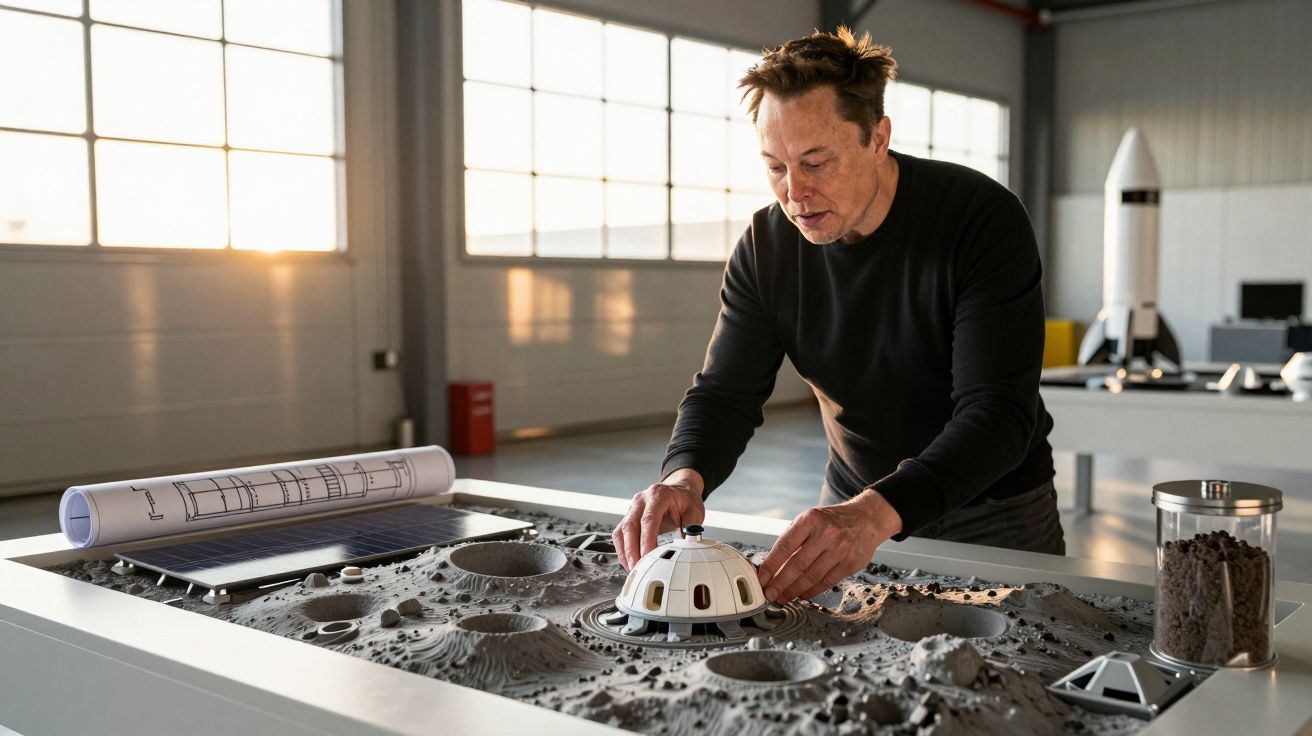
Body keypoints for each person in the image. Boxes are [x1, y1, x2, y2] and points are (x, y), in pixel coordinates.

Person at [612, 27, 1062, 605]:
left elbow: (999, 414)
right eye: (775, 167)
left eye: (816, 162)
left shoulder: (980, 220)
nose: (794, 193)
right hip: (853, 505)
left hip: (994, 512)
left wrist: (874, 514)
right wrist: (684, 475)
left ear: (878, 138)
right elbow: (726, 392)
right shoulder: (767, 246)